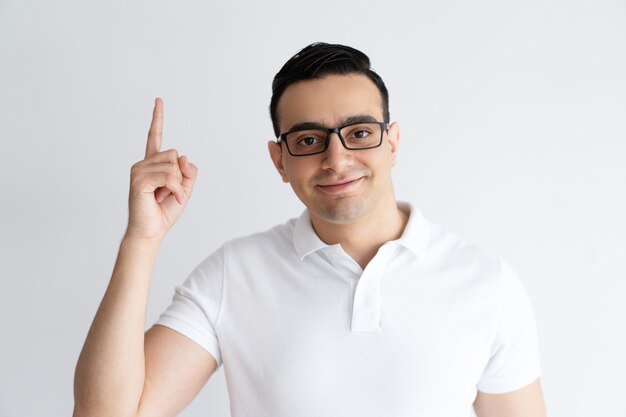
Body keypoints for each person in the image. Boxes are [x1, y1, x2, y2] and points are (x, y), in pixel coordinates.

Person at [73, 42, 547, 417]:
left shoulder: (485, 280)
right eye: (308, 140)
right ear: (279, 160)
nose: (336, 159)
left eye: (359, 132)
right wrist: (142, 240)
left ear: (393, 142)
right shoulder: (234, 275)